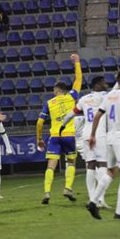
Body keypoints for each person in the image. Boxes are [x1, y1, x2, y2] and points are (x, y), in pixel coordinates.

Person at [87, 71, 120, 220]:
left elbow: (98, 115)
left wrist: (92, 135)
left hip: (109, 137)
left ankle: (92, 201)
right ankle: (119, 212)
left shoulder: (109, 95)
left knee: (111, 171)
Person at [36, 53, 82, 204]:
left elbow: (39, 122)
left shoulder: (49, 102)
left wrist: (39, 139)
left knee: (51, 165)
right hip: (69, 134)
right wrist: (77, 63)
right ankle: (67, 188)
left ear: (56, 91)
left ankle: (47, 192)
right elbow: (79, 80)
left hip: (55, 135)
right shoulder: (71, 97)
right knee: (71, 161)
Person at [60, 76, 111, 208]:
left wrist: (62, 125)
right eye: (103, 82)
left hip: (85, 134)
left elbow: (71, 114)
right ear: (97, 85)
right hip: (98, 134)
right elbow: (117, 92)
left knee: (90, 166)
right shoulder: (104, 96)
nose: (106, 84)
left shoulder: (84, 99)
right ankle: (100, 200)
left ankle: (92, 198)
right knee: (102, 165)